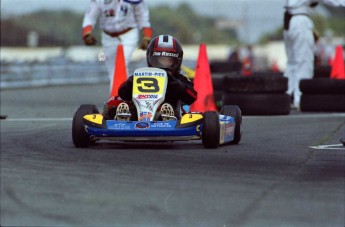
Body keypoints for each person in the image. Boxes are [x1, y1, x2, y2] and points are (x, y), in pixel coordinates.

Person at [104, 34, 198, 121]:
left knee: (168, 107)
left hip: (171, 114)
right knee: (121, 103)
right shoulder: (142, 75)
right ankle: (124, 116)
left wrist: (176, 84)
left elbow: (192, 96)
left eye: (167, 60)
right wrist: (130, 83)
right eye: (160, 60)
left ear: (176, 60)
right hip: (138, 114)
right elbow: (122, 93)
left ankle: (166, 116)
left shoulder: (179, 79)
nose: (163, 64)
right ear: (151, 58)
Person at [283, 0, 344, 108]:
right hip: (301, 20)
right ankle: (300, 98)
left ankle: (286, 97)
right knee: (304, 62)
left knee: (292, 63)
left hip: (289, 21)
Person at [82, 0, 153, 91]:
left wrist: (146, 36)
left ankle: (120, 94)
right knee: (112, 70)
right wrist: (87, 34)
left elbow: (142, 16)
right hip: (108, 36)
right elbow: (90, 17)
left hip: (128, 34)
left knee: (122, 62)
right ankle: (118, 96)